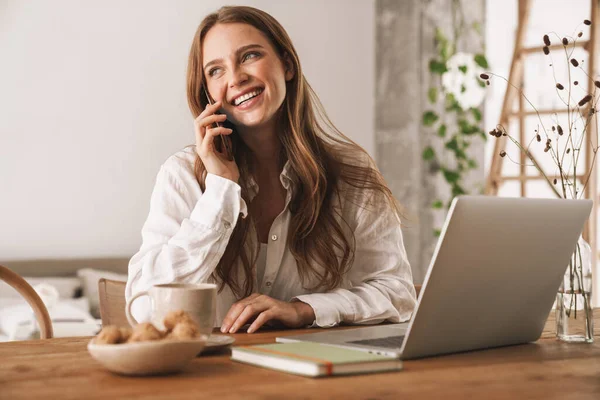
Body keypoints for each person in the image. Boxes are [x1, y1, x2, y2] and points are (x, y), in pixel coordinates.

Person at [125, 5, 416, 334]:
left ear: (287, 65)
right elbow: (145, 307)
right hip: (212, 379)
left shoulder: (352, 173)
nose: (236, 78)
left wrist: (304, 310)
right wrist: (220, 190)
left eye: (249, 56)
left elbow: (398, 294)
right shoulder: (182, 176)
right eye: (216, 70)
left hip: (317, 372)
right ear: (207, 93)